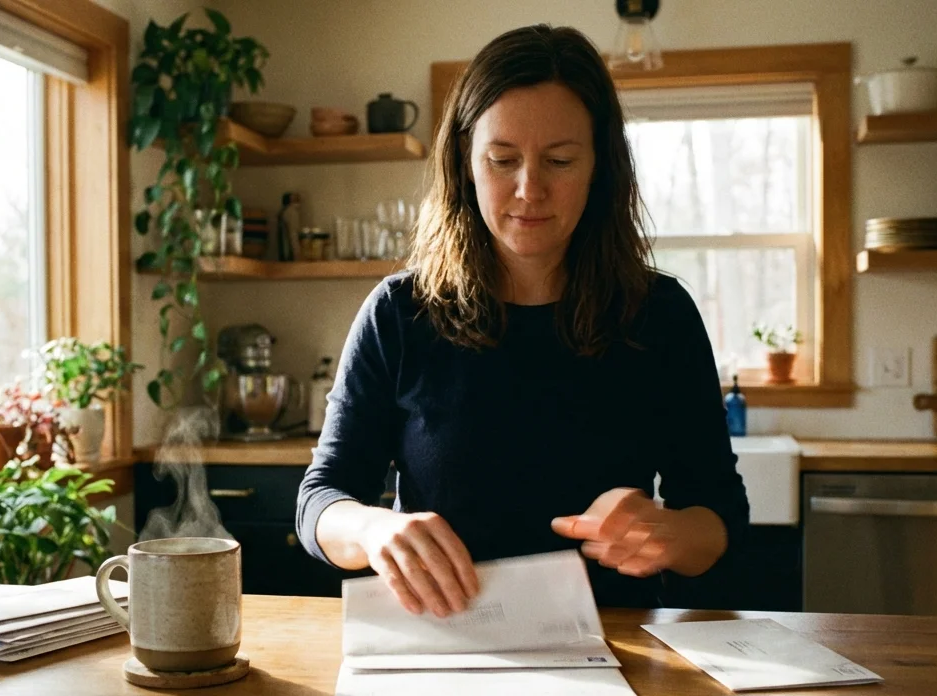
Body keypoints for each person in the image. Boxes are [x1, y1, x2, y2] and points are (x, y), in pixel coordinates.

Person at [296, 24, 749, 616]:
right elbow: (319, 501)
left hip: (614, 651)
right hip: (443, 649)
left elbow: (721, 518)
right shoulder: (399, 313)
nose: (529, 189)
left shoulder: (659, 315)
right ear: (465, 164)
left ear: (599, 168)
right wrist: (373, 531)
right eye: (502, 159)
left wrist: (668, 532)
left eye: (559, 160)